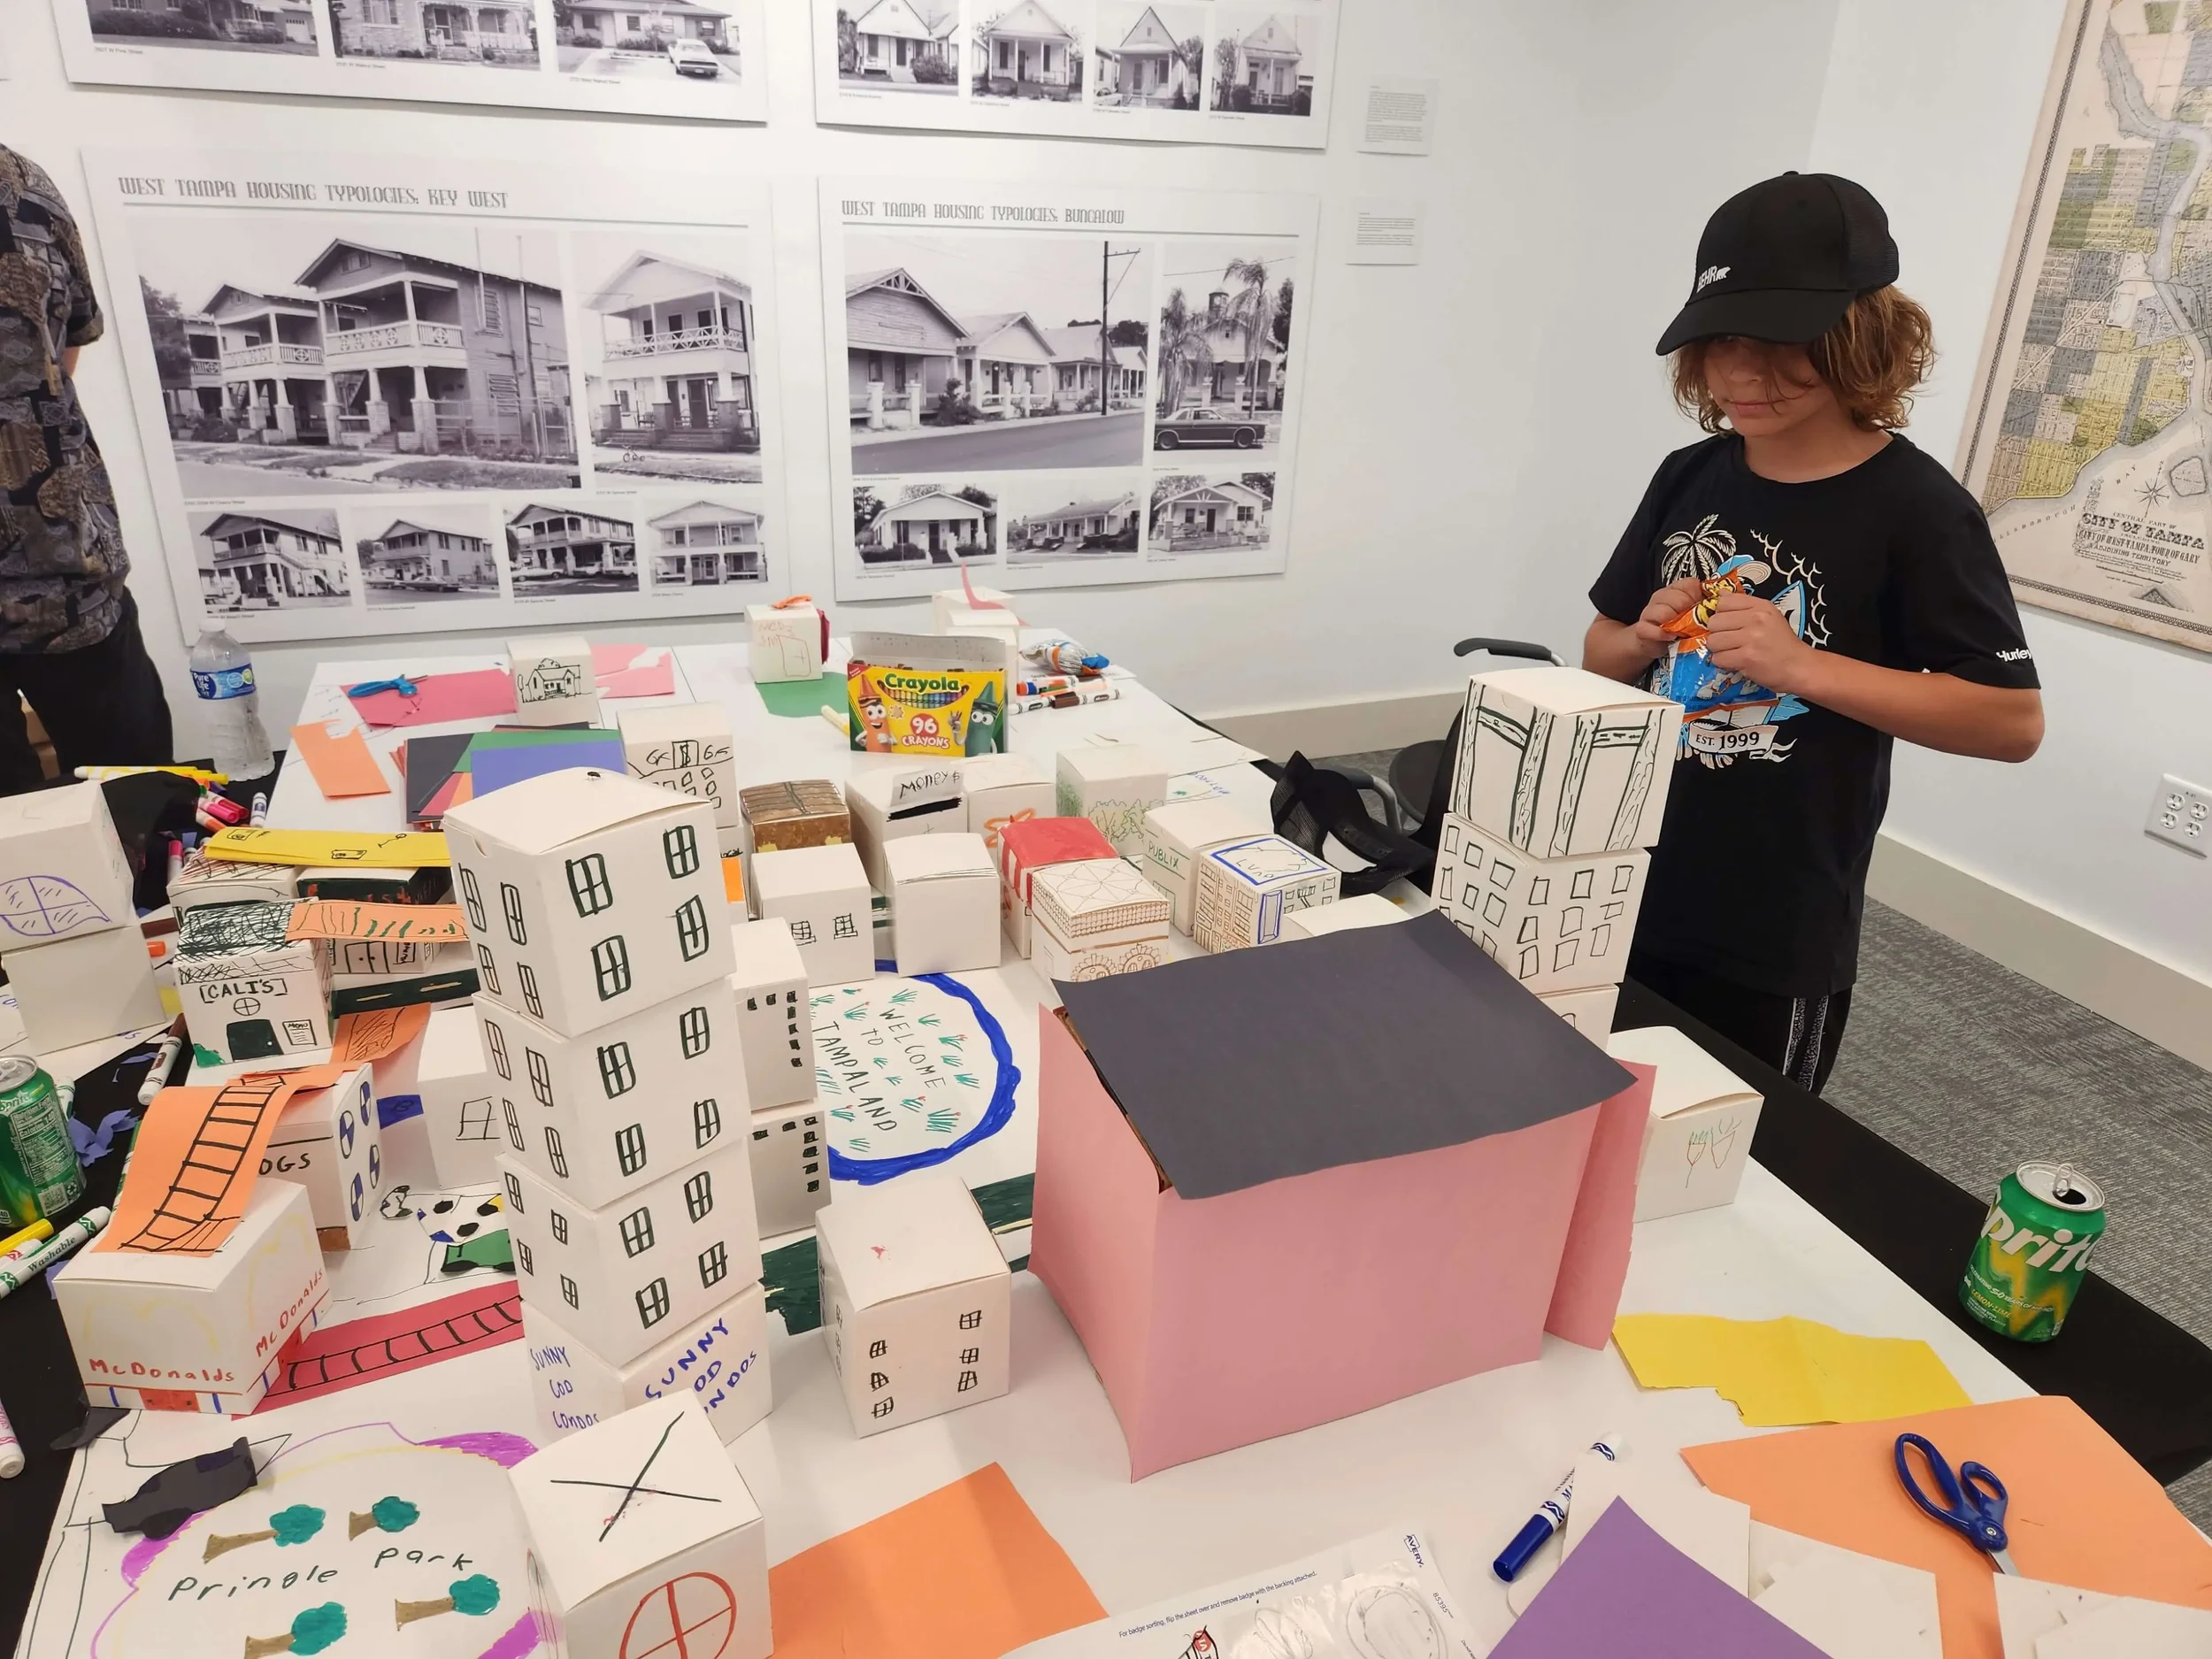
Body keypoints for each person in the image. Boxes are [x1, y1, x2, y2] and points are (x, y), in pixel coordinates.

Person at [1584, 172, 2044, 1094]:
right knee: (1596, 1099)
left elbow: (2009, 722)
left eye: (1780, 345)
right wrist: (1642, 637)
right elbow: (1599, 650)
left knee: (1746, 1157)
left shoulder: (1918, 511)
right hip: (1626, 875)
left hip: (1773, 923)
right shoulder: (1689, 475)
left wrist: (1801, 665)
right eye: (1720, 345)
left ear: (1864, 338)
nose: (1741, 377)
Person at [0, 142, 173, 795]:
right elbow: (66, 350)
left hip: (67, 571)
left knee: (140, 812)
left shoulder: (26, 188)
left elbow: (68, 342)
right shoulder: (25, 184)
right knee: (138, 817)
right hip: (63, 548)